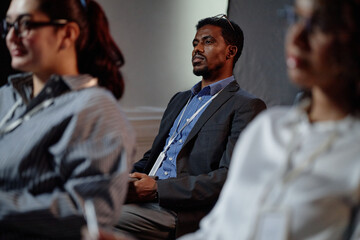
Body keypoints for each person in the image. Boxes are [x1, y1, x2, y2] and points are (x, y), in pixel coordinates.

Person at [179, 0, 360, 239]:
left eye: (320, 24)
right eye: (294, 18)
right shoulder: (267, 128)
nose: (296, 38)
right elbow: (216, 232)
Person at [114, 15, 266, 240]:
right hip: (145, 198)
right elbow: (155, 156)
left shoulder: (246, 106)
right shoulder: (180, 99)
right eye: (195, 43)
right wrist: (123, 176)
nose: (197, 49)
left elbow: (228, 178)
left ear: (230, 52)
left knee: (94, 218)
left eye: (208, 42)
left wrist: (157, 189)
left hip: (183, 211)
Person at [0, 0, 135, 239]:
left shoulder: (94, 109)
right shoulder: (6, 96)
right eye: (8, 25)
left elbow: (92, 213)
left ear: (67, 33)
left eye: (24, 24)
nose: (11, 36)